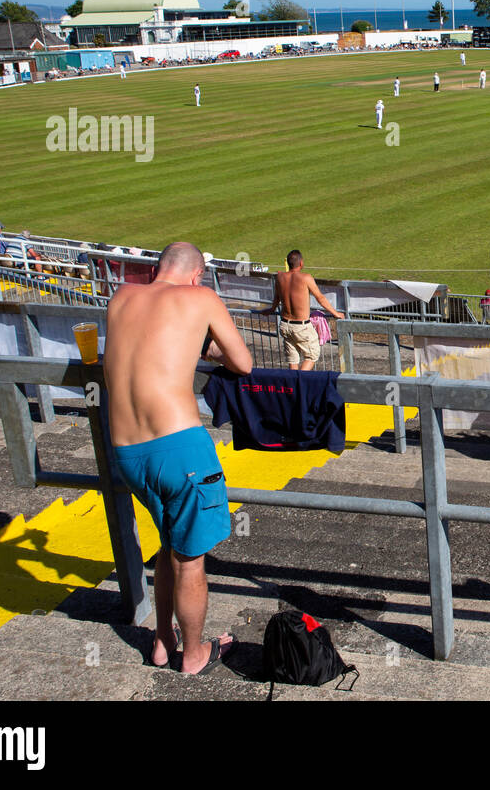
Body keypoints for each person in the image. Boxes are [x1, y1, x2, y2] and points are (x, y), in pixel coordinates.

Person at [104, 241, 253, 674]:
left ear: (155, 270)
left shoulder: (121, 297)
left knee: (169, 544)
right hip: (181, 448)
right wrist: (206, 348)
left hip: (128, 453)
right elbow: (242, 363)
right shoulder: (200, 297)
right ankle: (193, 655)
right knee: (190, 559)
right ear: (196, 275)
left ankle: (162, 640)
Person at [258, 250, 345, 371]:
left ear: (288, 263)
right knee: (312, 355)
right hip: (301, 327)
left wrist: (271, 309)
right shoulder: (306, 278)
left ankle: (293, 386)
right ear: (301, 263)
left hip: (285, 325)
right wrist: (336, 314)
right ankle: (299, 383)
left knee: (293, 360)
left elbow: (277, 297)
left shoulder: (280, 277)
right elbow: (320, 298)